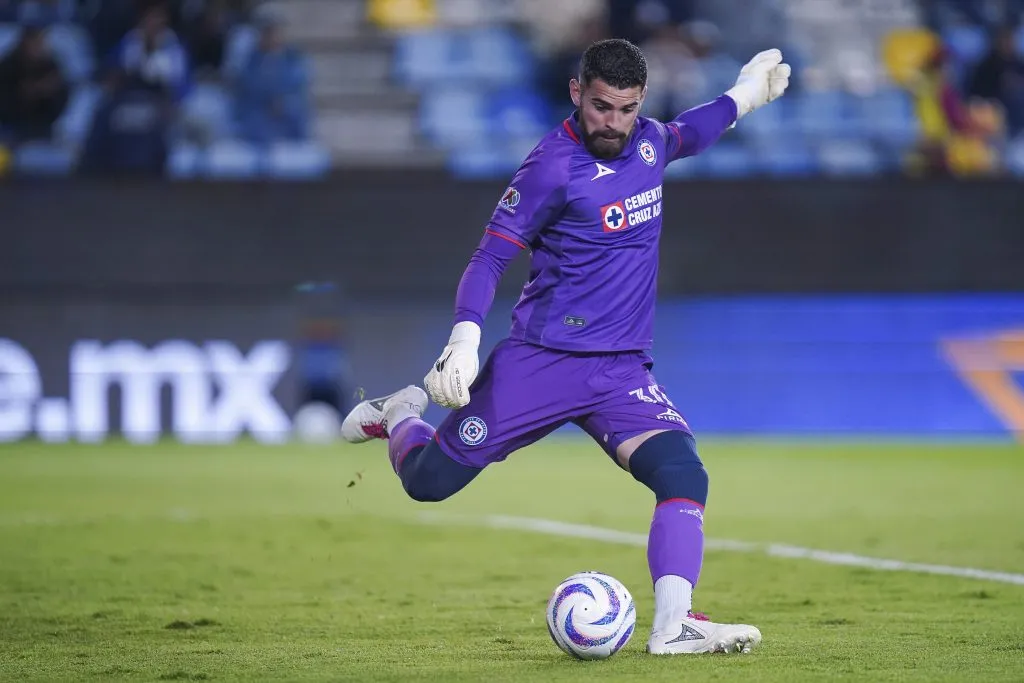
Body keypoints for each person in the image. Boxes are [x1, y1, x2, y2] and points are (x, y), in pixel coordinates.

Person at [340, 39, 789, 655]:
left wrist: (744, 97)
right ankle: (399, 415)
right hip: (542, 362)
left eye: (627, 109)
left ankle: (674, 625)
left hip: (620, 370)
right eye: (602, 106)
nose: (613, 123)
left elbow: (692, 131)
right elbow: (489, 257)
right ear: (577, 93)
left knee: (684, 472)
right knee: (427, 483)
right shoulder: (551, 167)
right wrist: (465, 337)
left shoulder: (650, 142)